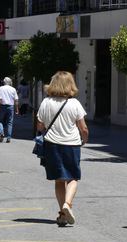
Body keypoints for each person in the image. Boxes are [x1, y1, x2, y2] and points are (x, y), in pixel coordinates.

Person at [36, 71, 89, 227]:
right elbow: (83, 128)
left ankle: (62, 214)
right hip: (71, 144)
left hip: (51, 144)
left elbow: (40, 126)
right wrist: (84, 140)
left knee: (59, 180)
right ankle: (68, 204)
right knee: (73, 177)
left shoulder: (46, 102)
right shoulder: (74, 104)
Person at [0, 77, 19, 143]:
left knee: (0, 120)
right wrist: (17, 108)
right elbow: (16, 100)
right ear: (10, 82)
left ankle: (1, 132)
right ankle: (8, 137)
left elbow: (0, 99)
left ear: (4, 82)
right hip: (11, 107)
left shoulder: (1, 88)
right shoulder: (13, 89)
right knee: (10, 122)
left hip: (2, 106)